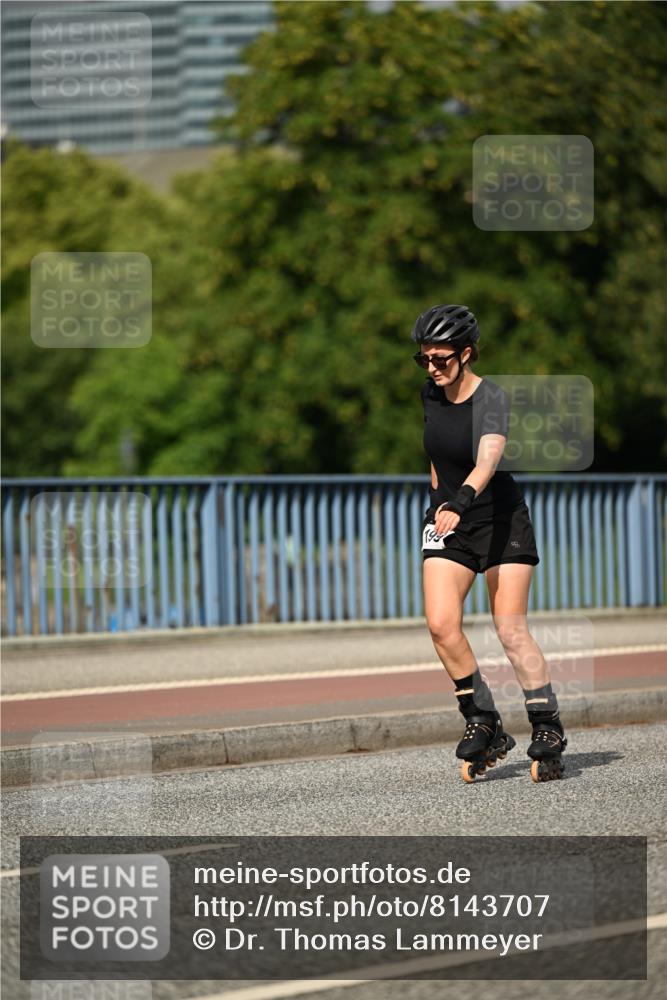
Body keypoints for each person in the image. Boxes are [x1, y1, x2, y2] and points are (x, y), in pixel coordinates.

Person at [413, 303, 567, 783]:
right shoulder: (430, 395)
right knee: (441, 625)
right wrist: (437, 503)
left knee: (509, 628)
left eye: (442, 359)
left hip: (500, 519)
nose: (433, 368)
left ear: (467, 353)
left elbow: (487, 460)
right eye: (425, 359)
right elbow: (437, 456)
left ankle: (547, 726)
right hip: (449, 519)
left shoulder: (491, 398)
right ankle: (483, 720)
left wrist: (459, 501)